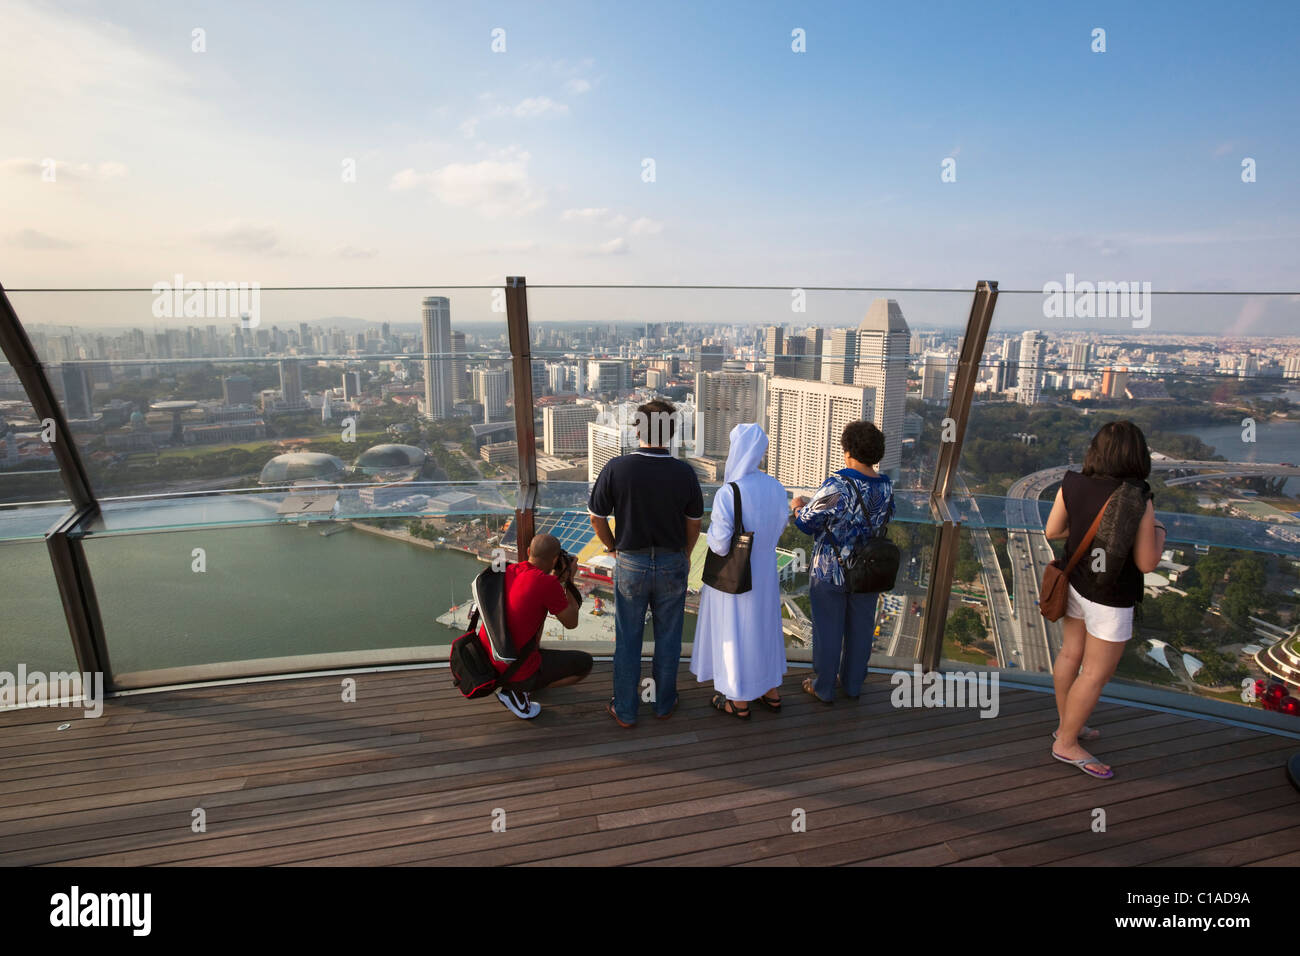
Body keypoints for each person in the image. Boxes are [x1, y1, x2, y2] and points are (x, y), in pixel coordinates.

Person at [1044, 420, 1165, 779]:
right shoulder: (1137, 496)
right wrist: (1159, 530)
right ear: (1137, 455)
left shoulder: (1072, 482)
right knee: (1095, 673)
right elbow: (1146, 562)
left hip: (1076, 583)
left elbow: (1053, 530)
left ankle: (1068, 725)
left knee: (1070, 654)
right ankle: (1065, 742)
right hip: (1111, 596)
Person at [589, 399, 704, 726]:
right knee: (669, 637)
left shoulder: (617, 467)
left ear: (638, 428)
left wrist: (612, 548)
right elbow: (693, 522)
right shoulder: (684, 473)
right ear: (671, 433)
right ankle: (663, 704)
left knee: (628, 639)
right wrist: (685, 551)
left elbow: (597, 517)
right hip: (671, 561)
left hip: (631, 561)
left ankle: (625, 710)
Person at [690, 423, 790, 719]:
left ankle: (738, 699)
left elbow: (720, 545)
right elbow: (780, 529)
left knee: (736, 633)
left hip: (735, 577)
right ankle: (769, 690)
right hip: (766, 573)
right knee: (764, 629)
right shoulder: (776, 487)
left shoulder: (729, 492)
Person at [791, 421, 894, 704]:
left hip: (830, 571)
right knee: (861, 632)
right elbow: (886, 518)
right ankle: (852, 686)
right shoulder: (886, 486)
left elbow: (807, 523)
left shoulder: (839, 484)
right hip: (868, 571)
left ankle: (823, 687)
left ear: (847, 451)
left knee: (827, 632)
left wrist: (797, 506)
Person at [478, 532, 592, 720]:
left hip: (490, 658)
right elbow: (571, 622)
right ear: (556, 559)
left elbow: (534, 593)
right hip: (513, 669)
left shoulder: (509, 570)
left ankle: (516, 684)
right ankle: (516, 689)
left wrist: (556, 579)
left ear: (529, 551)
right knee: (584, 664)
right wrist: (569, 579)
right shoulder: (546, 584)